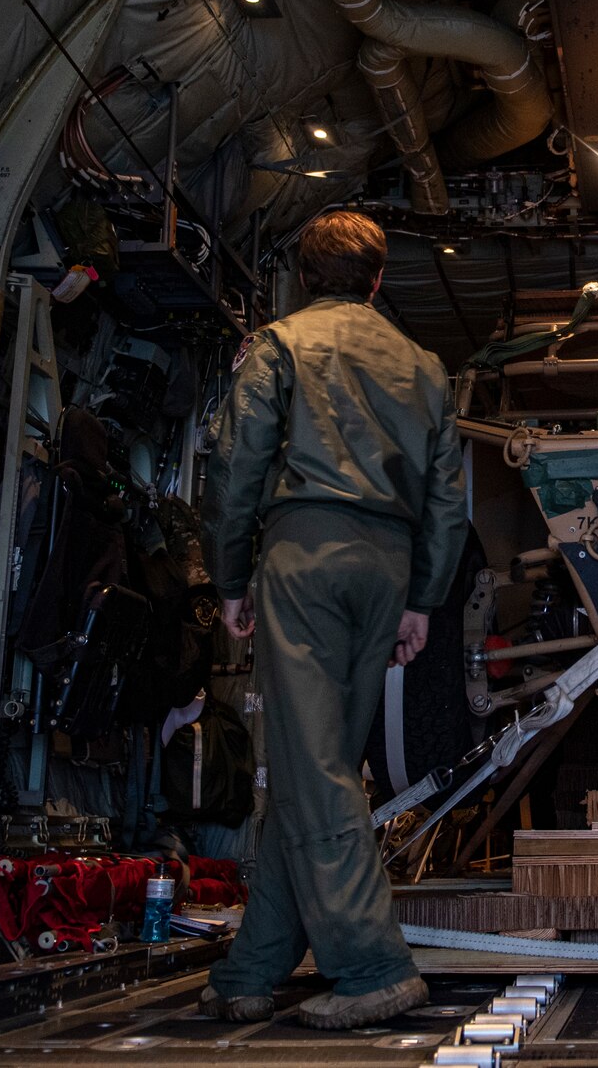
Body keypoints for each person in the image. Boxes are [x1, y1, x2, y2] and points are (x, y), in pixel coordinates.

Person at [195, 211, 465, 1029]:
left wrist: (230, 575)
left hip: (304, 557)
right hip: (385, 568)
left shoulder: (278, 346)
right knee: (322, 768)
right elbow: (450, 498)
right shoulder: (422, 365)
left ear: (303, 276)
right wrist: (422, 597)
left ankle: (374, 964)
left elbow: (237, 464)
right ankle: (253, 966)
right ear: (377, 279)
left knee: (311, 767)